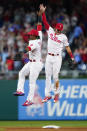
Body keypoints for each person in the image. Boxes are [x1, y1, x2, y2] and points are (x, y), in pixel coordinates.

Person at [39, 4, 75, 103]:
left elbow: (67, 47)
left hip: (57, 58)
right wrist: (43, 13)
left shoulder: (63, 37)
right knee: (47, 76)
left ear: (61, 30)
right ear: (55, 28)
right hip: (49, 57)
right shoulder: (50, 31)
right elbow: (45, 22)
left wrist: (72, 57)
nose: (57, 31)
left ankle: (56, 94)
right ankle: (47, 95)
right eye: (57, 29)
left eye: (59, 30)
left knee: (55, 77)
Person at [13, 15, 43, 106]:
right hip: (31, 62)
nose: (29, 35)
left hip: (36, 64)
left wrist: (21, 53)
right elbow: (39, 27)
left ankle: (30, 100)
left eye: (30, 34)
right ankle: (20, 90)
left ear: (34, 36)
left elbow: (29, 48)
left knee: (31, 81)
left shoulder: (35, 42)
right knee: (21, 73)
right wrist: (40, 16)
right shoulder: (39, 37)